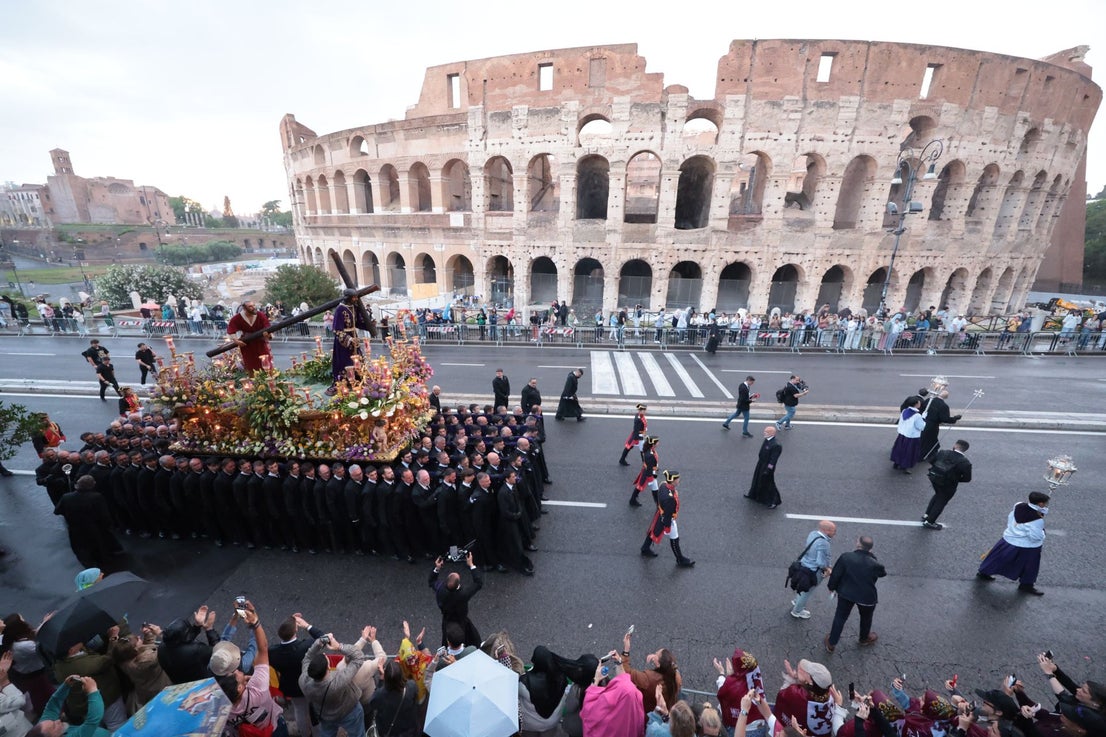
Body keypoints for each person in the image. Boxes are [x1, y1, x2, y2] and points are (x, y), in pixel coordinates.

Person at [214, 601, 287, 737]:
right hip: (274, 728)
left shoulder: (221, 706)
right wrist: (255, 622)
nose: (237, 671)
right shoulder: (258, 688)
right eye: (235, 675)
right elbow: (262, 649)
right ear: (240, 688)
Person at [977, 491, 1050, 595]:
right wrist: (1043, 533)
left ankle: (984, 572)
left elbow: (1012, 518)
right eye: (1045, 503)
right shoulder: (1037, 520)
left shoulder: (1018, 505)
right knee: (1029, 567)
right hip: (1027, 546)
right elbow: (1036, 537)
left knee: (996, 557)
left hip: (1009, 539)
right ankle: (1026, 585)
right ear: (1041, 504)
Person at [824, 535, 886, 653]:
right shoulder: (874, 563)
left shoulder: (846, 557)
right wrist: (872, 557)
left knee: (840, 617)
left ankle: (831, 643)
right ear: (870, 549)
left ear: (858, 545)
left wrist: (831, 587)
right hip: (867, 597)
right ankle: (864, 638)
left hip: (846, 594)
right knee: (866, 618)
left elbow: (836, 574)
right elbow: (882, 573)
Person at [268, 613, 326, 737]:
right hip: (309, 684)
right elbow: (324, 637)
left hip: (291, 687)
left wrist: (290, 621)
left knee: (299, 710)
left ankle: (304, 733)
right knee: (314, 711)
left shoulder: (273, 652)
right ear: (296, 629)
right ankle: (317, 734)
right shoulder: (305, 647)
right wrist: (306, 626)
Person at [299, 632, 366, 737]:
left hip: (325, 714)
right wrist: (339, 646)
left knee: (327, 734)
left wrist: (319, 643)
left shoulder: (303, 681)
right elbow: (358, 657)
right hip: (349, 711)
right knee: (357, 734)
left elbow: (307, 658)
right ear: (329, 668)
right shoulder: (338, 681)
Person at [52, 474, 121, 570]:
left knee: (81, 549)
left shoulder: (66, 497)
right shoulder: (96, 497)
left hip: (75, 528)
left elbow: (57, 511)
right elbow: (104, 515)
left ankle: (89, 566)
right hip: (93, 528)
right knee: (98, 547)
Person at [640, 470, 694, 567]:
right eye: (677, 479)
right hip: (667, 519)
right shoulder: (670, 499)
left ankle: (645, 547)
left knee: (654, 531)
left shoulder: (663, 485)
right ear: (672, 481)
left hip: (660, 513)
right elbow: (668, 514)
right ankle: (680, 559)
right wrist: (667, 527)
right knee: (674, 539)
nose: (679, 480)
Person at [428, 551, 483, 647]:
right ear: (458, 585)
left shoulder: (440, 590)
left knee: (448, 642)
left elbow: (431, 581)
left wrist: (437, 568)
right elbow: (478, 583)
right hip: (462, 622)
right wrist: (471, 564)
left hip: (447, 621)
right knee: (472, 640)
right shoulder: (463, 595)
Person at [29, 675, 111, 737]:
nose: (58, 721)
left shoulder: (43, 727)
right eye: (54, 726)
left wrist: (66, 685)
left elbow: (52, 707)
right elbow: (93, 720)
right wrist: (93, 691)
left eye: (53, 721)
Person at [790, 520, 837, 619]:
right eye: (833, 531)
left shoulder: (813, 534)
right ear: (826, 531)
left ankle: (796, 601)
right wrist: (827, 569)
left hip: (804, 566)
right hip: (813, 571)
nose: (835, 533)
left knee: (802, 586)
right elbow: (820, 562)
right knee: (807, 592)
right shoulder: (824, 543)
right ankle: (797, 611)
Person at [922, 439, 972, 529]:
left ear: (955, 446)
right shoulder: (965, 463)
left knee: (937, 495)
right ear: (965, 450)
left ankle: (926, 515)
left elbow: (931, 461)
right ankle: (930, 522)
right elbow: (967, 479)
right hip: (949, 485)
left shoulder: (942, 452)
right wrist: (956, 479)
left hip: (934, 478)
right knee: (941, 501)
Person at [327, 290, 371, 394]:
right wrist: (349, 339)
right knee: (345, 361)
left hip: (354, 337)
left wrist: (369, 325)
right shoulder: (340, 309)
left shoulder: (355, 307)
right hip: (344, 342)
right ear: (347, 297)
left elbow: (359, 323)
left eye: (356, 297)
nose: (356, 299)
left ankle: (358, 378)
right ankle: (343, 382)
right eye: (354, 297)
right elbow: (337, 330)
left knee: (357, 359)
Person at [365, 660, 418, 737]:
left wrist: (381, 680)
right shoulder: (411, 686)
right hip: (408, 729)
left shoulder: (380, 695)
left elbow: (373, 703)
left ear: (386, 677)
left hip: (388, 730)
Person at [225, 301, 273, 372]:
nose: (253, 308)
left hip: (260, 343)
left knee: (266, 364)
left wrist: (268, 333)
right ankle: (254, 382)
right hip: (247, 345)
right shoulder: (238, 318)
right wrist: (236, 340)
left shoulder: (260, 315)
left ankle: (270, 380)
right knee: (251, 365)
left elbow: (267, 326)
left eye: (254, 305)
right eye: (250, 306)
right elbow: (231, 329)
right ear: (244, 308)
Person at [745, 426, 782, 509]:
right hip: (761, 463)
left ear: (772, 433)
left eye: (766, 432)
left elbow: (773, 460)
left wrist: (768, 469)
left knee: (769, 484)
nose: (764, 433)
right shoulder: (767, 439)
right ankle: (753, 495)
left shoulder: (776, 445)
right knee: (757, 479)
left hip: (767, 466)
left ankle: (774, 501)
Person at [920, 389, 962, 461]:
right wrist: (955, 418)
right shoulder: (943, 406)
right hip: (932, 426)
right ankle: (927, 455)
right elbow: (945, 419)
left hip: (922, 422)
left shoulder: (929, 400)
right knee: (931, 441)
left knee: (922, 439)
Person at [890, 396, 927, 474]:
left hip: (902, 434)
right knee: (909, 452)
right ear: (916, 404)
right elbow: (921, 427)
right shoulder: (917, 416)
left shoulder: (904, 411)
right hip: (912, 437)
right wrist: (923, 418)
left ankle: (896, 463)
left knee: (899, 449)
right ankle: (905, 466)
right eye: (919, 402)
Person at [629, 435, 660, 508]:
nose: (659, 443)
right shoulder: (650, 454)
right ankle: (658, 505)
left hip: (649, 472)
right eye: (657, 442)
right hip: (649, 473)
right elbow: (649, 468)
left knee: (642, 486)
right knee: (647, 487)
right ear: (653, 444)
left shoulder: (649, 450)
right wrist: (651, 478)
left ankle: (632, 500)